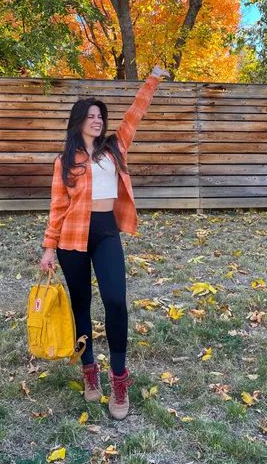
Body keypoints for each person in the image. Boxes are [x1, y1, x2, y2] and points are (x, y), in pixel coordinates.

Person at [40, 65, 170, 420]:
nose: (97, 120)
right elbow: (57, 206)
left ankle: (118, 378)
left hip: (106, 232)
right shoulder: (64, 160)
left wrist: (153, 80)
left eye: (100, 116)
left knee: (115, 300)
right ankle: (89, 373)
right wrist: (49, 248)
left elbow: (135, 114)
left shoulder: (114, 148)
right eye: (91, 116)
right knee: (80, 304)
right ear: (78, 120)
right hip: (72, 238)